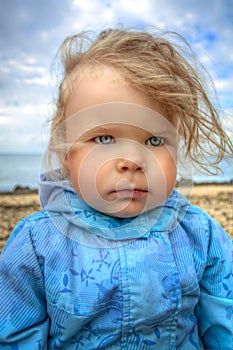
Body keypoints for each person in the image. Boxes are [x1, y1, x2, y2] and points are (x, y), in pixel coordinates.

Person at [0, 27, 232, 350]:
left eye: (154, 140)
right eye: (105, 138)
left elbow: (225, 327)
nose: (133, 160)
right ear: (65, 154)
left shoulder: (200, 236)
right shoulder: (36, 247)